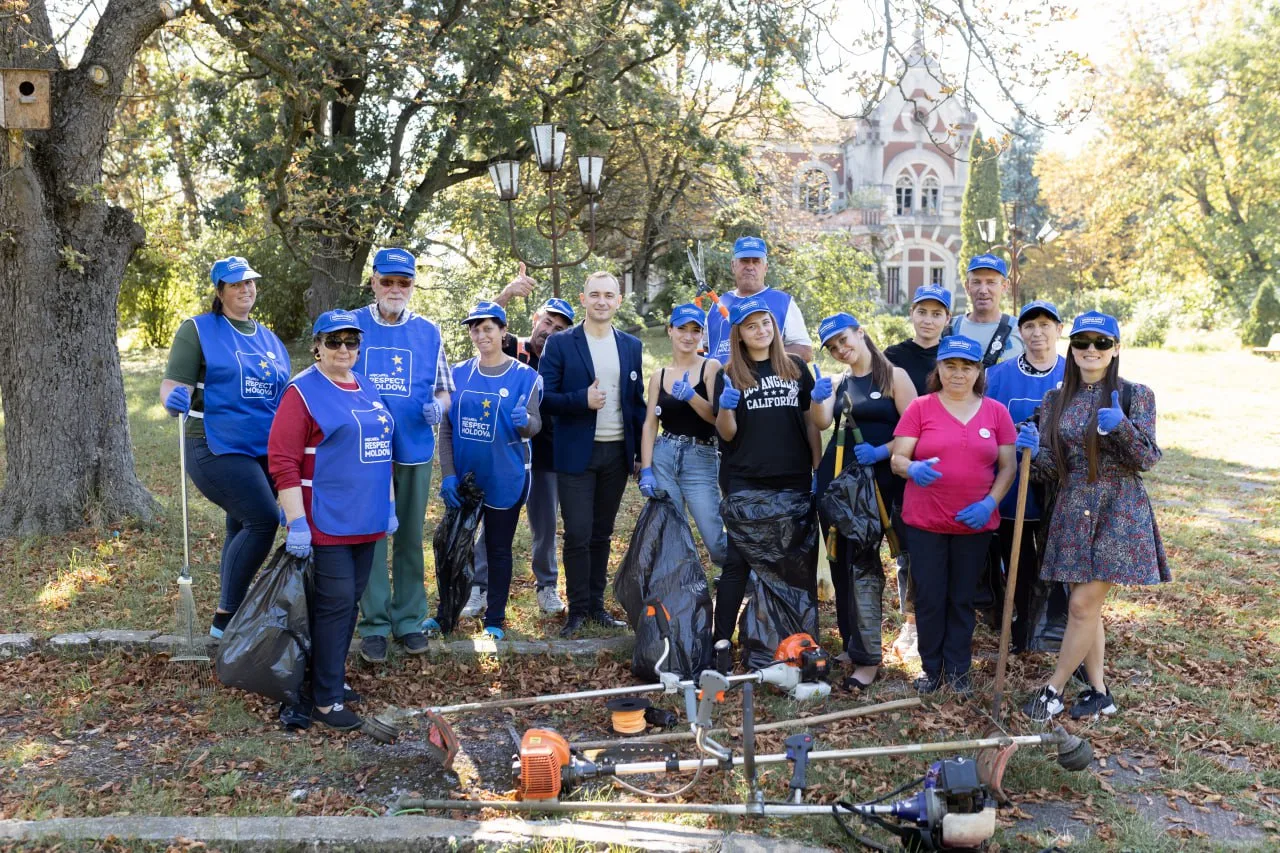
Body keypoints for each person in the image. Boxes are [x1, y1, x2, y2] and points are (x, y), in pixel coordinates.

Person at [1019, 311, 1168, 722]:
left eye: (1102, 343)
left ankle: (1054, 689)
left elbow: (1147, 459)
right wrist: (1031, 450)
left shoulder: (1136, 395)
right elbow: (1052, 470)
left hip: (1119, 508)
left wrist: (1121, 427)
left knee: (1082, 605)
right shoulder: (1054, 400)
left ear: (1116, 349)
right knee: (1086, 607)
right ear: (1073, 348)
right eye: (1082, 342)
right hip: (1071, 506)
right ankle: (1100, 692)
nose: (1091, 350)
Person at [268, 310, 396, 731]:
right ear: (317, 345)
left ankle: (331, 681)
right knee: (335, 605)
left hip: (368, 518)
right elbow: (283, 462)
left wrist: (389, 504)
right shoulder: (302, 392)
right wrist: (296, 522)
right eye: (335, 341)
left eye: (352, 342)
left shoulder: (367, 385)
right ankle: (324, 701)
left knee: (348, 605)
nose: (344, 349)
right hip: (327, 519)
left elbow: (381, 449)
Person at [160, 256, 290, 638]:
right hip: (213, 443)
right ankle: (227, 617)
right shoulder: (198, 330)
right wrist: (172, 400)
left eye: (250, 282)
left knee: (242, 524)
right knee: (263, 519)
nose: (245, 289)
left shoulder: (269, 339)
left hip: (261, 449)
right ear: (220, 291)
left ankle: (229, 612)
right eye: (235, 284)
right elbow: (173, 383)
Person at [890, 336, 1016, 695]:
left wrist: (990, 504)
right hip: (926, 522)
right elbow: (898, 458)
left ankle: (959, 670)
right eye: (950, 366)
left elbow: (1008, 467)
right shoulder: (921, 408)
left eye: (967, 367)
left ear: (978, 371)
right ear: (939, 369)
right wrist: (911, 469)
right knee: (929, 597)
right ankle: (931, 670)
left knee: (962, 598)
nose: (958, 374)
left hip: (973, 525)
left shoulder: (996, 412)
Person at [352, 247, 453, 663]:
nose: (395, 288)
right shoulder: (352, 325)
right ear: (374, 281)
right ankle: (374, 623)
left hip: (413, 447)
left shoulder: (429, 332)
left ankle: (410, 619)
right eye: (387, 280)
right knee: (372, 535)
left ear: (413, 285)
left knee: (410, 537)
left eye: (404, 282)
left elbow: (445, 390)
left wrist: (439, 408)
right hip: (364, 450)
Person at [811, 313, 916, 690]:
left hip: (877, 485)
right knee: (840, 563)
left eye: (844, 339)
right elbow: (823, 423)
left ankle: (869, 659)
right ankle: (851, 642)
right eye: (833, 346)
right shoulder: (840, 381)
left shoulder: (894, 377)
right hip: (838, 487)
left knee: (865, 567)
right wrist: (819, 399)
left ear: (860, 332)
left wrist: (885, 450)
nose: (841, 349)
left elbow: (916, 428)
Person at [539, 271, 646, 637]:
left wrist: (640, 453)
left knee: (602, 533)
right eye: (594, 294)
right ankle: (577, 609)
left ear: (618, 301)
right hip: (575, 455)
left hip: (617, 454)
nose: (602, 301)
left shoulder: (631, 345)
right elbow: (545, 398)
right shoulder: (561, 344)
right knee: (578, 533)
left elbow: (636, 403)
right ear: (583, 300)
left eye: (609, 295)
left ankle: (598, 606)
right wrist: (580, 401)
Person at [459, 277, 574, 619]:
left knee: (545, 524)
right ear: (536, 318)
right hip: (504, 454)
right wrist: (507, 293)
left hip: (547, 453)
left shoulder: (566, 359)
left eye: (559, 328)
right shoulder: (515, 348)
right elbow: (485, 325)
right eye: (547, 322)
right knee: (492, 522)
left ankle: (546, 587)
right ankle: (479, 587)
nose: (550, 331)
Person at [711, 296, 819, 645]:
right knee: (737, 565)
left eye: (766, 323)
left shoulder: (796, 368)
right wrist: (726, 408)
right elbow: (726, 434)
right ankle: (721, 642)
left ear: (775, 327)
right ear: (739, 334)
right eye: (751, 326)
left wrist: (816, 467)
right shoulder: (729, 375)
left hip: (793, 479)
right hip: (745, 480)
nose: (760, 331)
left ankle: (795, 642)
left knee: (794, 565)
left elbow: (811, 422)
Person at [434, 301, 543, 639]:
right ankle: (444, 616)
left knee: (498, 550)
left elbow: (536, 425)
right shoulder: (458, 374)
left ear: (503, 332)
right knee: (455, 548)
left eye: (488, 329)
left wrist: (525, 423)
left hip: (505, 477)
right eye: (475, 329)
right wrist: (448, 473)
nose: (481, 335)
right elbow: (447, 429)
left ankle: (494, 619)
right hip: (466, 479)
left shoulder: (526, 376)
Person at [985, 300, 1067, 653]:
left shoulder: (1073, 372)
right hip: (1011, 489)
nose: (1038, 332)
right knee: (1017, 560)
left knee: (1054, 561)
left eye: (1046, 324)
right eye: (1030, 325)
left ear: (1058, 330)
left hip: (1058, 492)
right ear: (1021, 332)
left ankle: (1053, 629)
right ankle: (1017, 628)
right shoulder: (999, 376)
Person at [883, 283, 953, 658]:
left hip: (949, 467)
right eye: (922, 312)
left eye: (936, 313)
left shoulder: (956, 356)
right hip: (905, 464)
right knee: (907, 552)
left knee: (945, 550)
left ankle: (941, 621)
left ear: (947, 318)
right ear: (911, 314)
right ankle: (910, 625)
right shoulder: (892, 357)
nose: (928, 320)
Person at [638, 303, 726, 568]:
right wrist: (646, 470)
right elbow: (650, 425)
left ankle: (746, 576)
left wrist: (691, 396)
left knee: (714, 538)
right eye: (682, 329)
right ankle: (682, 591)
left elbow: (717, 419)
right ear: (670, 331)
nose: (688, 336)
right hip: (664, 455)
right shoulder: (659, 375)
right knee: (672, 534)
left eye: (695, 330)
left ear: (702, 335)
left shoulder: (710, 367)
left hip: (701, 456)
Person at [705, 236, 814, 364]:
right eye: (744, 261)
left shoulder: (783, 302)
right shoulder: (718, 303)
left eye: (756, 261)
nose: (750, 267)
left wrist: (762, 357)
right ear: (733, 266)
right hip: (720, 383)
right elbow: (705, 349)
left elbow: (805, 351)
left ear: (766, 268)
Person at [947, 255, 1024, 367]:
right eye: (976, 282)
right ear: (967, 286)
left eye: (991, 282)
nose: (983, 290)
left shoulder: (1019, 330)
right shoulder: (949, 328)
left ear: (1005, 286)